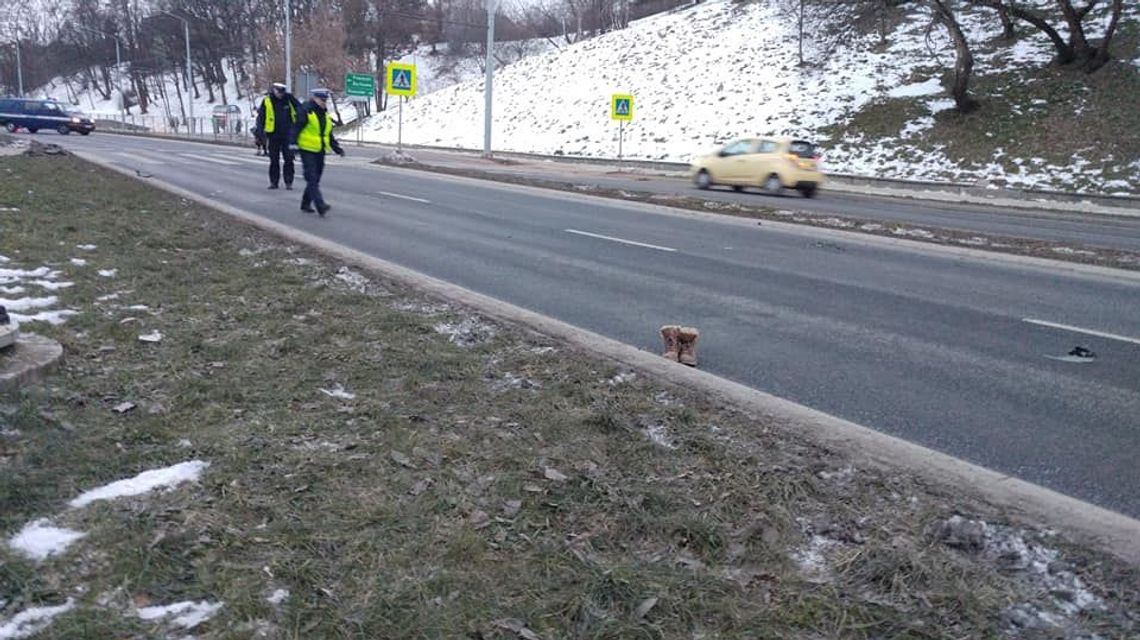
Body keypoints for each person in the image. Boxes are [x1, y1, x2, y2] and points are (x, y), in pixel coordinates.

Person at [290, 88, 344, 217]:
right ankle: (320, 205)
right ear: (314, 98)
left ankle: (305, 203)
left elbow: (328, 134)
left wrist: (337, 148)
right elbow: (296, 128)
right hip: (307, 149)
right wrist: (293, 145)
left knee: (316, 179)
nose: (323, 102)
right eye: (321, 100)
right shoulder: (306, 110)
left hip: (320, 150)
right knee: (312, 178)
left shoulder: (324, 114)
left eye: (325, 100)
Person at [254, 82, 303, 190]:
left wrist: (297, 127)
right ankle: (274, 182)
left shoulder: (289, 99)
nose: (280, 94)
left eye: (282, 92)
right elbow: (261, 118)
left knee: (289, 159)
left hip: (288, 135)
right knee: (274, 159)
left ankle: (288, 182)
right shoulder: (267, 101)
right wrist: (261, 133)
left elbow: (300, 110)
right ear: (274, 90)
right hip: (273, 135)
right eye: (278, 92)